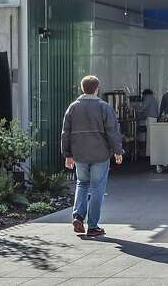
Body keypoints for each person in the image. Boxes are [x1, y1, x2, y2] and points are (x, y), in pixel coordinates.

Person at [61, 75, 123, 238]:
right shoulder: (104, 107)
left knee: (82, 184)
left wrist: (67, 154)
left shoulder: (73, 107)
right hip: (100, 154)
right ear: (97, 88)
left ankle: (78, 216)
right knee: (97, 189)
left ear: (82, 88)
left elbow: (65, 133)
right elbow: (112, 131)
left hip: (79, 154)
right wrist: (118, 151)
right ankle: (93, 226)